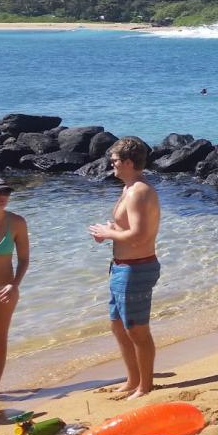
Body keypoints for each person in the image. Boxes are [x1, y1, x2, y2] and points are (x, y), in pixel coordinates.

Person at [87, 137, 161, 399]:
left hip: (136, 268)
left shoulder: (139, 191)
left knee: (137, 330)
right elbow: (128, 230)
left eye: (115, 160)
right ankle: (133, 380)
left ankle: (145, 385)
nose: (111, 164)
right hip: (121, 267)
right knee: (118, 326)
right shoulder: (129, 188)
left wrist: (109, 233)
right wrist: (110, 231)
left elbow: (140, 236)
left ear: (129, 162)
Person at [0, 177, 29, 398]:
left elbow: (24, 259)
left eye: (6, 192)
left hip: (4, 291)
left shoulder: (16, 222)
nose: (2, 197)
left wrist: (14, 285)